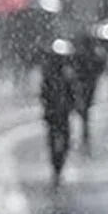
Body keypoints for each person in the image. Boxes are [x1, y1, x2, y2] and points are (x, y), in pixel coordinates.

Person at [41, 50, 76, 187]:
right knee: (57, 141)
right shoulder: (51, 75)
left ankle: (58, 165)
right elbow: (44, 94)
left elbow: (72, 92)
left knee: (62, 141)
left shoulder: (66, 74)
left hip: (60, 114)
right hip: (55, 115)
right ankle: (57, 166)